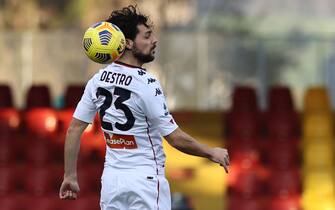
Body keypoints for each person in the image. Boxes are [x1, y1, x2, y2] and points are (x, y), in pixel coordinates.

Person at [59, 5, 229, 210]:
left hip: (112, 182)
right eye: (147, 36)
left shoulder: (98, 81)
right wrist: (211, 152)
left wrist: (69, 175)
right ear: (128, 43)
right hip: (145, 181)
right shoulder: (146, 83)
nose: (154, 40)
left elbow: (74, 128)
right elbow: (175, 138)